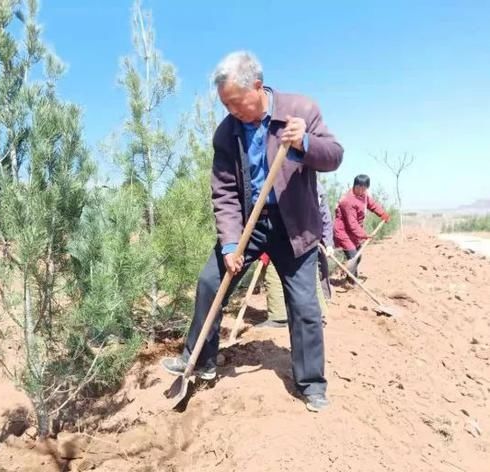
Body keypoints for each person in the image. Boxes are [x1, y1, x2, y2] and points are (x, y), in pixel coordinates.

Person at [160, 51, 343, 412]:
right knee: (211, 281)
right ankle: (200, 361)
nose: (230, 110)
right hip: (249, 224)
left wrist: (305, 143)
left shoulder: (299, 110)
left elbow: (334, 156)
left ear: (257, 87)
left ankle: (311, 384)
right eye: (224, 104)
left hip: (295, 224)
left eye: (235, 102)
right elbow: (224, 190)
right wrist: (230, 243)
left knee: (304, 305)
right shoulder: (227, 133)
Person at [258, 181, 334, 327]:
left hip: (290, 236)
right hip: (306, 236)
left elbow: (324, 216)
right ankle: (317, 315)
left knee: (274, 271)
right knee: (308, 274)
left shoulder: (290, 183)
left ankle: (279, 317)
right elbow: (325, 217)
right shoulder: (315, 185)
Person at [333, 174, 389, 278]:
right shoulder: (347, 200)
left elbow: (372, 204)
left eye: (365, 189)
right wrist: (364, 235)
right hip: (343, 232)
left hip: (353, 232)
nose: (362, 191)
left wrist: (382, 214)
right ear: (355, 186)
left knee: (358, 257)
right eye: (360, 188)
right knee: (354, 256)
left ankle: (345, 270)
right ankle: (352, 282)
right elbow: (352, 223)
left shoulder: (364, 195)